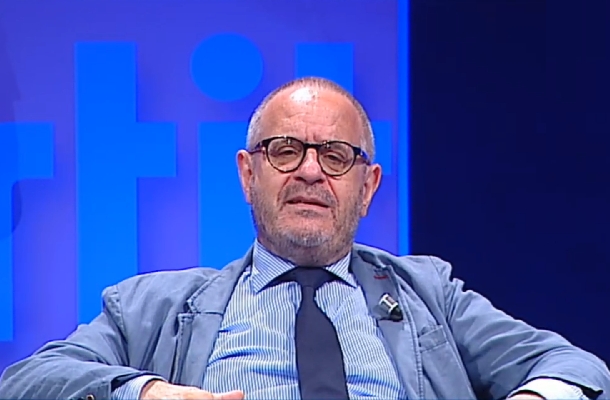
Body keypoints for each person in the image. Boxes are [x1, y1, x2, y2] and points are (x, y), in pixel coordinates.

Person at [0, 77, 608, 400]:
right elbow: (27, 381)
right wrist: (147, 394)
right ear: (248, 175)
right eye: (286, 150)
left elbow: (575, 368)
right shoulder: (151, 305)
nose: (311, 171)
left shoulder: (430, 294)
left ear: (368, 186)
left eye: (336, 156)